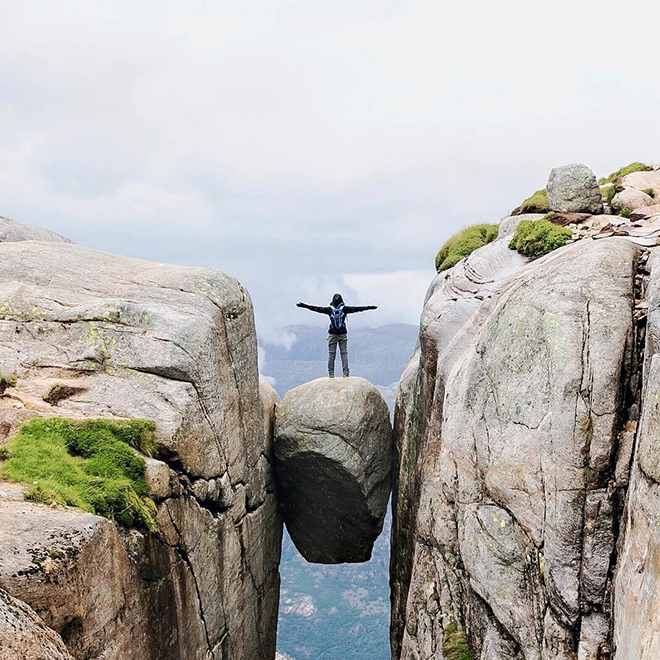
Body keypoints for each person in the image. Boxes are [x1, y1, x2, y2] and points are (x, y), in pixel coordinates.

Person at [296, 293, 377, 378]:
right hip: (343, 334)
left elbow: (316, 309)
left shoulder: (329, 310)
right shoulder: (345, 309)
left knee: (331, 354)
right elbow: (358, 309)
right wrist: (369, 307)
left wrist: (304, 306)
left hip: (332, 334)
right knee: (344, 354)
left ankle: (331, 374)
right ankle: (345, 373)